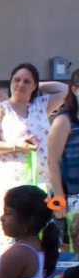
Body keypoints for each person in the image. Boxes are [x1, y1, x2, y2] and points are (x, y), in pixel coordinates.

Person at [0, 63, 54, 248]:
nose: (20, 84)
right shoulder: (0, 110)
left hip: (40, 180)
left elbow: (62, 89)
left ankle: (33, 272)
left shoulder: (40, 106)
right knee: (11, 231)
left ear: (34, 85)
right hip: (10, 179)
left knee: (39, 229)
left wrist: (38, 84)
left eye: (27, 81)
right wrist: (15, 146)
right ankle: (8, 269)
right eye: (17, 80)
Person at [46, 66, 79, 240]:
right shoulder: (64, 121)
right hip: (70, 196)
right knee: (69, 250)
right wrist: (59, 199)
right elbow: (52, 161)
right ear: (75, 90)